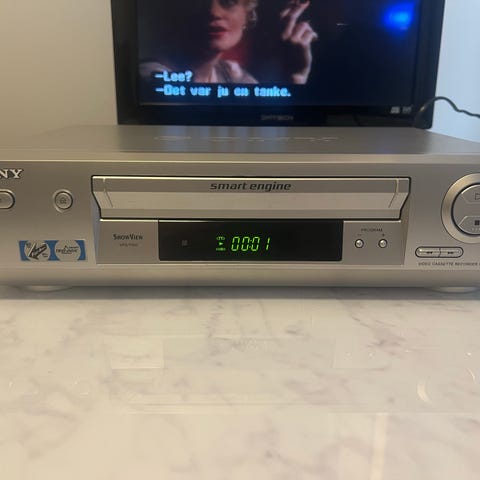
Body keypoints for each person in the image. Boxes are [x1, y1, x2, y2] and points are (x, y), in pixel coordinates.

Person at [140, 0, 317, 84]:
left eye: (228, 2)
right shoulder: (151, 76)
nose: (214, 12)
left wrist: (297, 76)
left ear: (248, 15)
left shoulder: (232, 74)